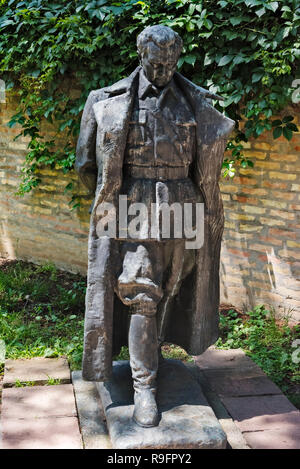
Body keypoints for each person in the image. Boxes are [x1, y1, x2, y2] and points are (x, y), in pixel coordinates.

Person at [76, 25, 234, 427]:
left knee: (174, 286)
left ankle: (148, 354)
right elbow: (86, 167)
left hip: (184, 206)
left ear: (177, 58)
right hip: (134, 205)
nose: (162, 69)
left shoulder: (195, 101)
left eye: (169, 62)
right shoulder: (105, 101)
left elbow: (206, 163)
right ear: (140, 55)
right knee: (140, 289)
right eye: (154, 61)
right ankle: (143, 386)